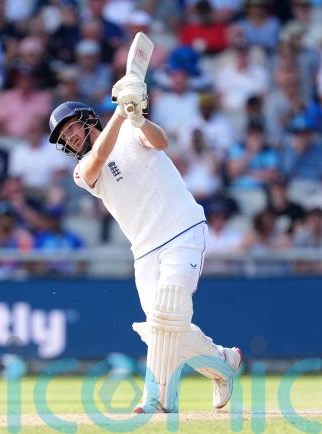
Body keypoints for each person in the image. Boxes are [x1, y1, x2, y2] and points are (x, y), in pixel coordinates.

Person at [47, 70, 241, 413]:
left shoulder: (131, 129)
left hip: (182, 229)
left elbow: (161, 142)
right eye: (64, 136)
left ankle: (158, 399)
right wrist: (121, 114)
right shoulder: (81, 170)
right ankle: (221, 362)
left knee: (168, 313)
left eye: (72, 127)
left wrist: (137, 118)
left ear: (86, 119)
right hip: (145, 250)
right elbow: (98, 159)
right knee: (160, 327)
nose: (71, 137)